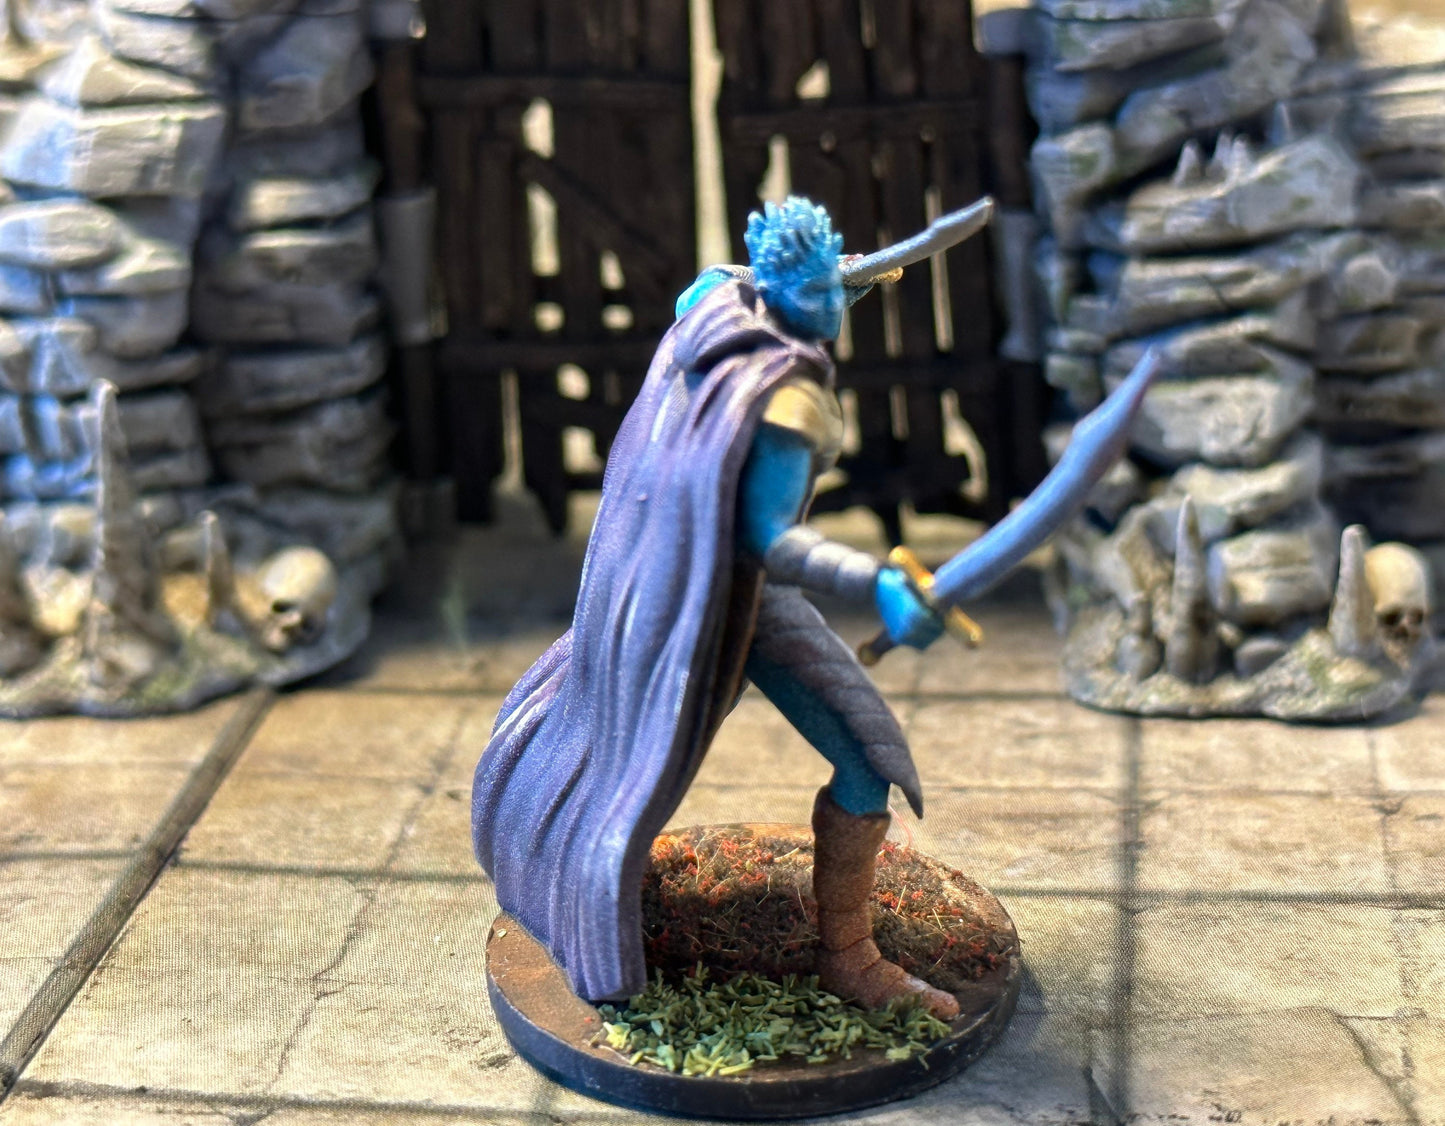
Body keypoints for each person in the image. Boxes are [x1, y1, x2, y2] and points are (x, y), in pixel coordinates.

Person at [474, 196, 960, 1020]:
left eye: (837, 286)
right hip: (731, 605)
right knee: (863, 762)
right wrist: (876, 582)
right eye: (820, 292)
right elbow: (773, 543)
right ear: (781, 292)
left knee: (844, 758)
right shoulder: (785, 401)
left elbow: (708, 280)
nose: (835, 305)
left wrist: (832, 280)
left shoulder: (710, 308)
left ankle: (840, 950)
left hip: (674, 587)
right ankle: (847, 958)